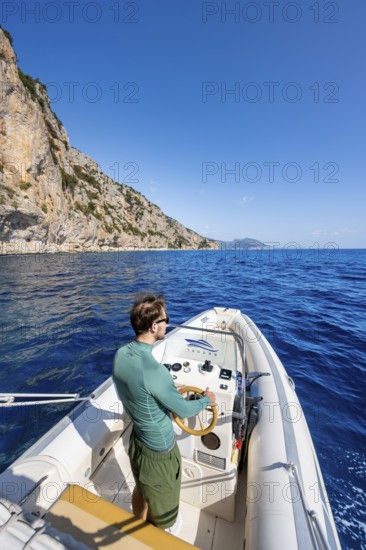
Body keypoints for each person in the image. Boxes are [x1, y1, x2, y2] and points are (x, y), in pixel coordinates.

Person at [112, 294, 216, 532]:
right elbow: (183, 409)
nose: (168, 323)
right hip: (159, 452)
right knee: (165, 513)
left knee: (141, 489)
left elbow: (137, 391)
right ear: (154, 326)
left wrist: (167, 391)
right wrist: (206, 401)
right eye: (166, 319)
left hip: (137, 442)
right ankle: (157, 536)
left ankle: (137, 526)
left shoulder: (121, 354)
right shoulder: (155, 372)